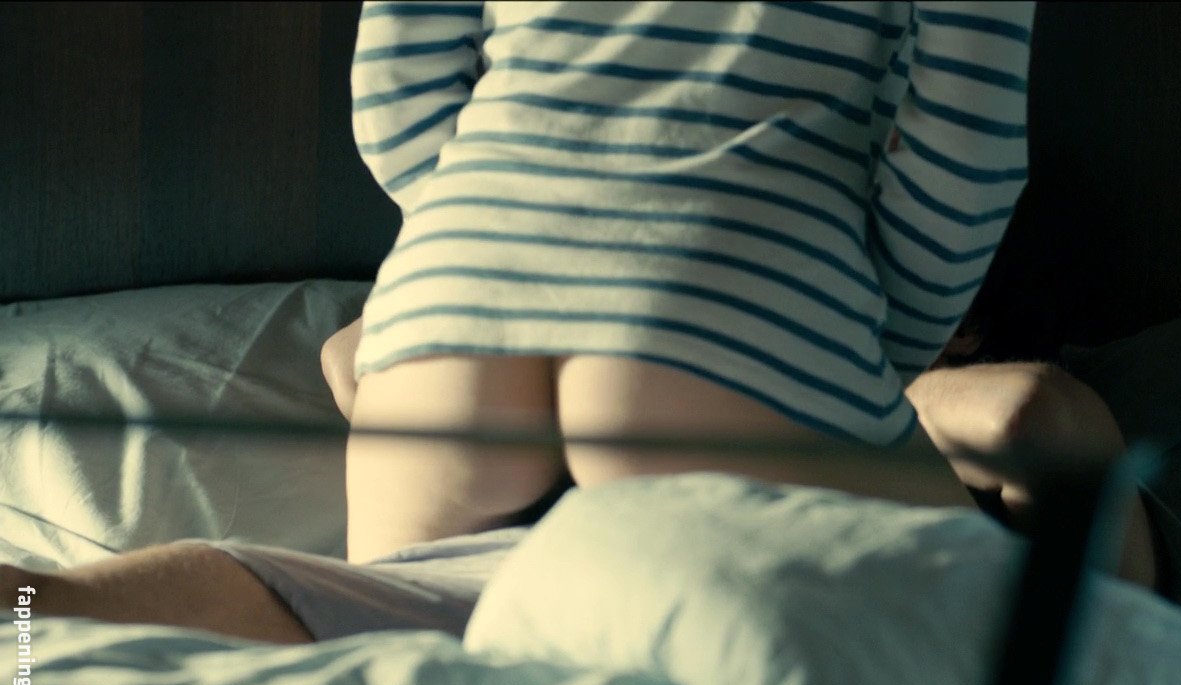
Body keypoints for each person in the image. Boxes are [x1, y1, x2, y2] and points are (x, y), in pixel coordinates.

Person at [342, 1, 1036, 565]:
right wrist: (866, 348)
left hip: (456, 288)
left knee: (398, 673)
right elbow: (965, 150)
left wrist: (489, 236)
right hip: (734, 283)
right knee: (1013, 634)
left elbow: (396, 86)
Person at [3, 313, 1174, 645]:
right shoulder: (584, 394)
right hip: (526, 572)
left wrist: (839, 375)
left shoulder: (986, 438)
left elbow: (1035, 414)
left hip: (800, 592)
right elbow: (353, 356)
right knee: (307, 594)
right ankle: (31, 612)